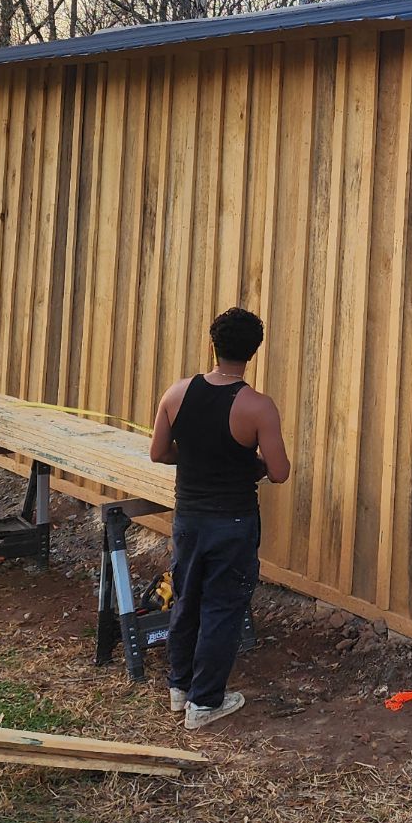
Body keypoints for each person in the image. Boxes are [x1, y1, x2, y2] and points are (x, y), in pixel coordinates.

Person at [149, 307, 290, 729]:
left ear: (213, 344)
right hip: (233, 522)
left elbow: (159, 453)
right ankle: (205, 703)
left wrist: (194, 458)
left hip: (188, 516)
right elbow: (280, 471)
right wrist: (253, 465)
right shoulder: (258, 407)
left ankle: (179, 688)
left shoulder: (177, 393)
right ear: (253, 352)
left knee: (187, 597)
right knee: (223, 608)